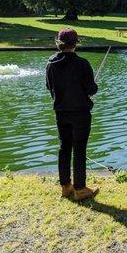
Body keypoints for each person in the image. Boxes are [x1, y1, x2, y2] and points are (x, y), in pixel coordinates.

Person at [46, 28, 99, 201]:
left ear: (58, 43)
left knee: (64, 147)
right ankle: (80, 189)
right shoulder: (82, 64)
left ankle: (65, 186)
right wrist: (93, 86)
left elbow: (49, 88)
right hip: (80, 113)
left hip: (61, 112)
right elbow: (91, 90)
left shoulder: (50, 64)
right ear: (75, 43)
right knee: (79, 149)